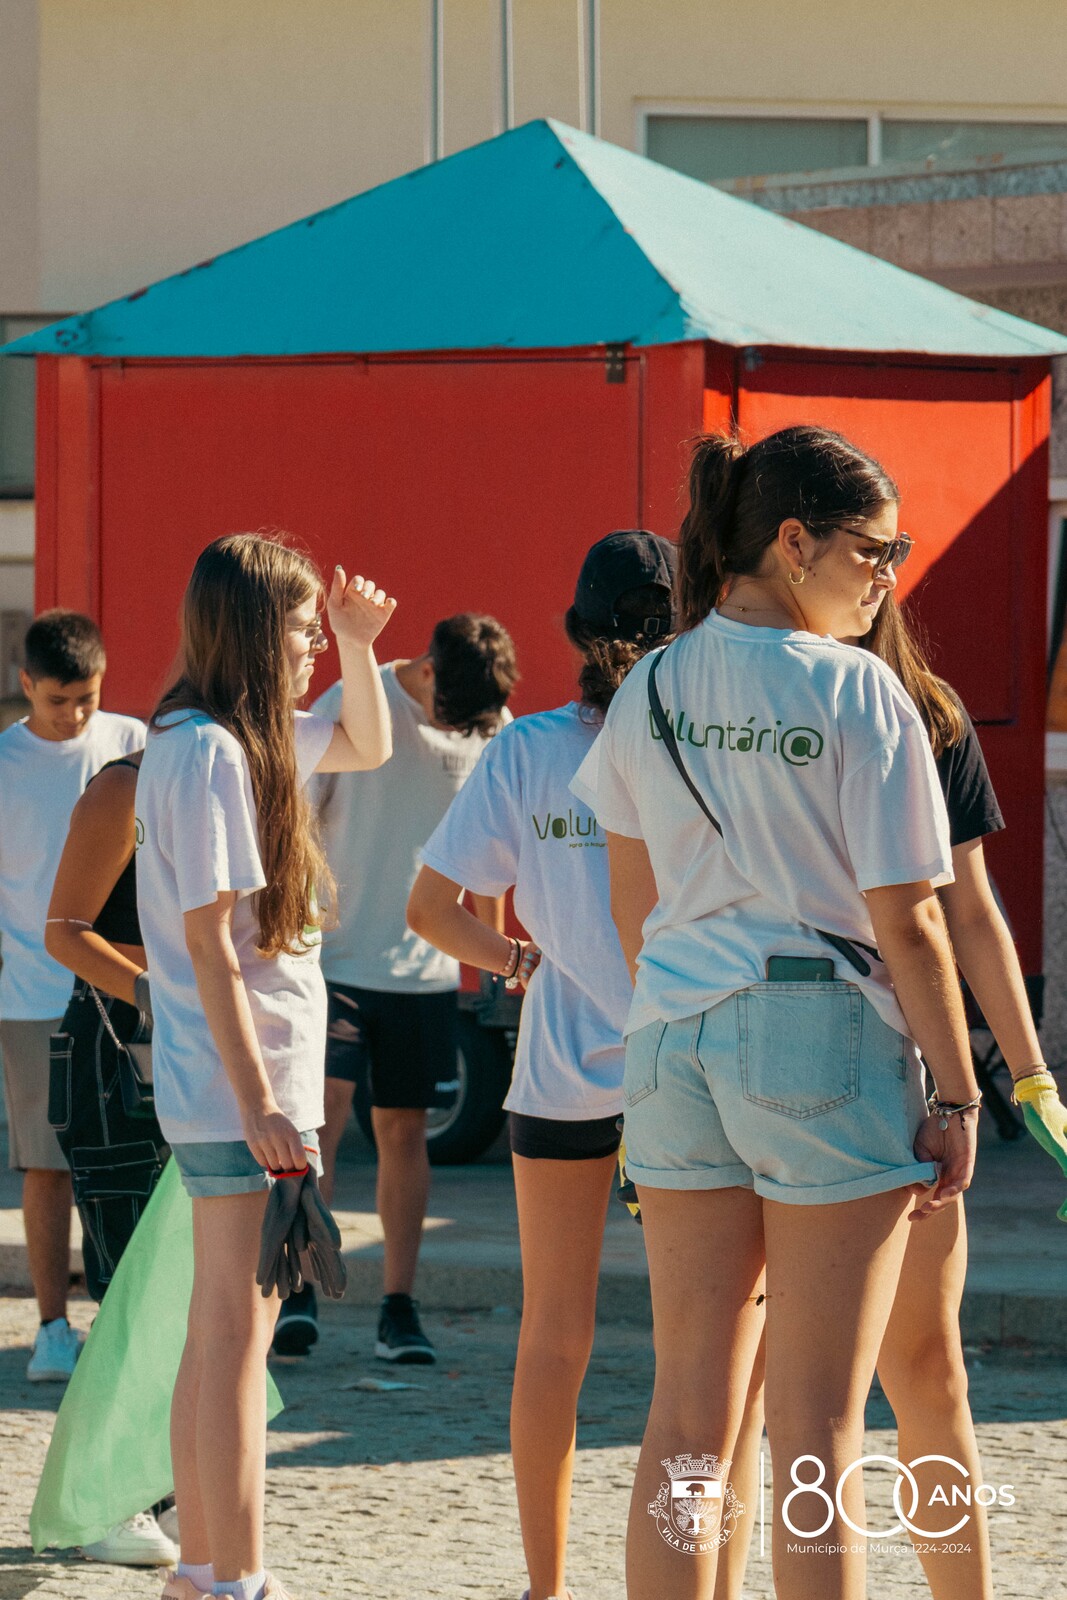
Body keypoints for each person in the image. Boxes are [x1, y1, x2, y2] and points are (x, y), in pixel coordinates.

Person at [571, 426, 981, 1600]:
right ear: (794, 542)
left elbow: (632, 904)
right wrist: (959, 1094)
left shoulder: (650, 682)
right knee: (814, 1424)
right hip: (817, 1028)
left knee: (686, 1414)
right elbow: (910, 920)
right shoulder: (855, 689)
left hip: (669, 1033)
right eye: (873, 549)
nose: (888, 573)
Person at [408, 531, 678, 1600]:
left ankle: (544, 1587)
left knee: (552, 1338)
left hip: (562, 1070)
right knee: (705, 1361)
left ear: (574, 632)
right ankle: (693, 1575)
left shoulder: (525, 750)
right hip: (690, 1073)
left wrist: (524, 959)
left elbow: (430, 911)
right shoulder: (709, 742)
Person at [136, 533, 394, 1600]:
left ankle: (204, 1569)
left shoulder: (223, 739)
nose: (311, 645)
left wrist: (359, 642)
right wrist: (261, 1104)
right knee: (235, 1344)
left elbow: (367, 744)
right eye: (299, 628)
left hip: (234, 1087)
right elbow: (209, 943)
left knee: (218, 1334)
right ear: (250, 631)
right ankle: (233, 1574)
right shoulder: (209, 753)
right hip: (241, 1089)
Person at [297, 614, 517, 1364]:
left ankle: (398, 1307)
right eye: (448, 717)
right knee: (322, 1123)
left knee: (403, 1133)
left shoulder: (488, 724)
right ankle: (302, 1289)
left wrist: (489, 961)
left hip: (424, 971)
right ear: (425, 671)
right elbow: (300, 819)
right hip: (335, 959)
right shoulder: (354, 702)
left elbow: (487, 851)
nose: (455, 732)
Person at [0, 610, 144, 1383]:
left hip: (125, 986)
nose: (76, 714)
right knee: (49, 1164)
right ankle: (53, 1330)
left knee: (135, 1161)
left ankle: (128, 1326)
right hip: (32, 995)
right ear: (26, 684)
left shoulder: (133, 744)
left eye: (87, 697)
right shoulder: (4, 763)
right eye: (58, 700)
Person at [43, 747, 177, 1569]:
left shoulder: (238, 777)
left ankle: (161, 1485)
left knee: (182, 1289)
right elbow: (65, 931)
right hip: (117, 1046)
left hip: (196, 1046)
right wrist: (161, 994)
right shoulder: (127, 784)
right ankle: (106, 1499)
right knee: (127, 1283)